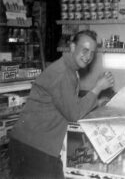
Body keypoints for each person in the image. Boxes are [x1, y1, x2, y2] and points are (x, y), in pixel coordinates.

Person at [8, 30, 114, 178]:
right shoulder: (63, 73)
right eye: (85, 50)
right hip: (35, 149)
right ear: (72, 47)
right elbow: (73, 114)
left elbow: (66, 105)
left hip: (29, 144)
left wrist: (96, 102)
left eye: (92, 52)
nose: (89, 56)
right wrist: (97, 88)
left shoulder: (68, 69)